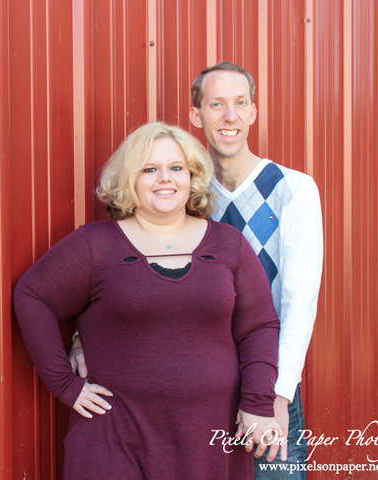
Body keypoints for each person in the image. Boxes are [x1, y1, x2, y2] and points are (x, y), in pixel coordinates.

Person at [70, 62, 324, 479]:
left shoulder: (292, 189)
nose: (230, 116)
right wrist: (83, 338)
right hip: (206, 384)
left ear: (253, 112)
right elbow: (126, 271)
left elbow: (299, 302)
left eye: (240, 103)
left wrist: (277, 394)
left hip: (267, 377)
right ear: (196, 115)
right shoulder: (183, 189)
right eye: (216, 104)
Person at [15, 122, 283, 480]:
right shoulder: (94, 245)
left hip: (210, 437)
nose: (164, 179)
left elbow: (259, 327)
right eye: (149, 169)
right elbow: (33, 296)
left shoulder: (228, 244)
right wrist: (64, 383)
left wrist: (257, 402)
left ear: (192, 177)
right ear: (129, 179)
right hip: (116, 437)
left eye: (176, 168)